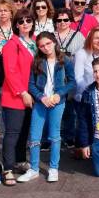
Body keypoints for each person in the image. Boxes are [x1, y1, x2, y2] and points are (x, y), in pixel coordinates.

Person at [17, 32, 75, 183]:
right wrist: (41, 97)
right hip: (41, 102)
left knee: (54, 135)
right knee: (35, 136)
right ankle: (34, 169)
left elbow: (72, 81)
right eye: (42, 46)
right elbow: (31, 84)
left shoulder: (65, 60)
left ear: (54, 42)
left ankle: (53, 168)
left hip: (57, 102)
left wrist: (59, 94)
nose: (46, 47)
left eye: (48, 43)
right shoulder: (37, 61)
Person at [0, 9, 36, 186]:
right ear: (16, 25)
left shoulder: (34, 42)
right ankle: (7, 168)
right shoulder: (11, 45)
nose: (25, 24)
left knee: (23, 132)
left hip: (31, 95)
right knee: (13, 133)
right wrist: (22, 92)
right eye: (21, 21)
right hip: (16, 96)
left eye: (28, 20)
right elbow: (10, 72)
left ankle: (20, 161)